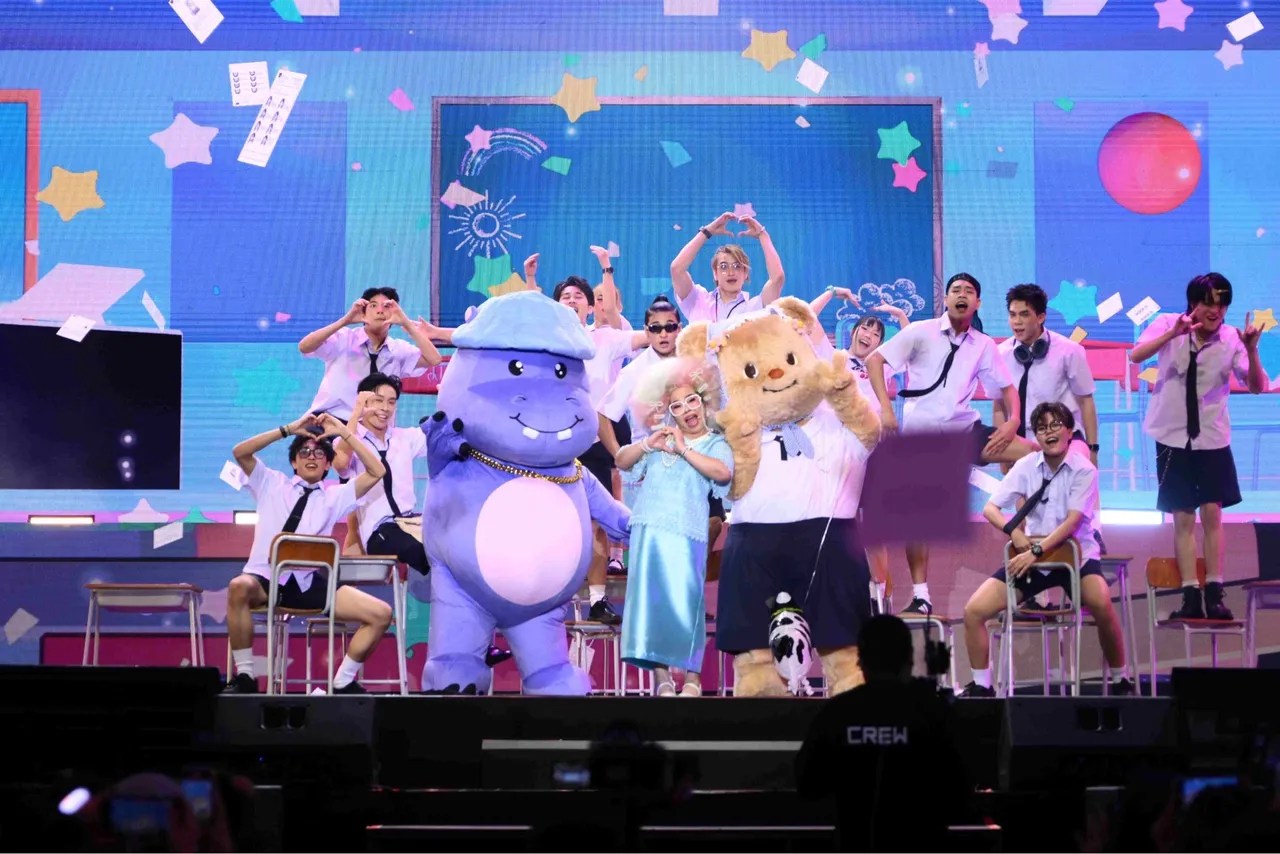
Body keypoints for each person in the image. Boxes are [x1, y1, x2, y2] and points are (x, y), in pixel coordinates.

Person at [865, 272, 1036, 614]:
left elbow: (1007, 389)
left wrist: (1014, 421)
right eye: (955, 290)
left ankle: (1029, 545)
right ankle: (921, 596)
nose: (961, 295)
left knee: (1033, 454)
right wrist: (886, 409)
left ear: (977, 303)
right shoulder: (921, 331)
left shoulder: (983, 345)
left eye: (969, 291)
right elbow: (875, 361)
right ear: (945, 299)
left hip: (964, 431)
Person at [958, 402, 1133, 698]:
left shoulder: (1085, 470)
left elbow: (1072, 522)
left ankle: (1121, 680)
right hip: (1032, 562)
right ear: (1036, 436)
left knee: (1101, 603)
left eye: (1055, 425)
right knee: (974, 611)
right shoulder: (1026, 466)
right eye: (1041, 428)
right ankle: (982, 687)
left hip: (1075, 557)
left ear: (1069, 431)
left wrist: (1036, 550)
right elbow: (990, 509)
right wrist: (1015, 531)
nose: (1048, 432)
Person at [1129, 273, 1267, 620]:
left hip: (1212, 437)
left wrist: (1252, 350)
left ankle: (1215, 593)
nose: (1215, 310)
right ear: (1193, 303)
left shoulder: (1232, 338)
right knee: (1182, 516)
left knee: (1212, 513)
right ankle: (1190, 594)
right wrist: (1173, 334)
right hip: (1171, 434)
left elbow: (1257, 386)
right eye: (1208, 302)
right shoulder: (1167, 323)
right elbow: (1136, 356)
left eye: (1221, 304)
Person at [224, 412, 391, 694]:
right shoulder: (270, 482)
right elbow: (240, 452)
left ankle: (343, 681)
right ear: (294, 462)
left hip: (310, 583)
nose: (311, 457)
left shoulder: (335, 497)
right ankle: (245, 677)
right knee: (238, 586)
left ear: (328, 464)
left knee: (380, 613)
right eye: (304, 452)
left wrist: (343, 432)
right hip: (266, 581)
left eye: (319, 453)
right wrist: (289, 429)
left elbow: (377, 471)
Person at [795, 615, 968, 851]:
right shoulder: (933, 713)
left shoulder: (837, 713)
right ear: (909, 659)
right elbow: (960, 791)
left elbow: (807, 784)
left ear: (861, 662)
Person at [615, 359, 733, 697]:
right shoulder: (660, 439)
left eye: (691, 400)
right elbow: (621, 460)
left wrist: (683, 449)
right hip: (649, 531)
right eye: (677, 406)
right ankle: (662, 677)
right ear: (671, 412)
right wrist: (647, 445)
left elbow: (723, 473)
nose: (686, 410)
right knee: (652, 606)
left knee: (689, 604)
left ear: (704, 402)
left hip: (688, 533)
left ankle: (693, 678)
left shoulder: (714, 443)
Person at [545, 251, 648, 622]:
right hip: (551, 446)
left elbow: (648, 337)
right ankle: (546, 599)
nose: (571, 301)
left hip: (592, 443)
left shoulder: (604, 339)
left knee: (595, 523)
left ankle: (599, 600)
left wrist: (676, 333)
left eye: (578, 297)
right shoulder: (544, 344)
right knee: (555, 523)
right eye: (565, 297)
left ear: (591, 307)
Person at [808, 288, 906, 612]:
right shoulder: (832, 357)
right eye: (866, 328)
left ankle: (882, 598)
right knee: (835, 524)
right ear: (853, 332)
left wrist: (899, 315)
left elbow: (911, 342)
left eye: (877, 334)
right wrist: (831, 293)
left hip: (872, 452)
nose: (869, 335)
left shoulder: (881, 367)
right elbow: (807, 318)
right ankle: (836, 597)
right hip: (835, 453)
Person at [298, 286, 444, 422]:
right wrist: (345, 321)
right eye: (373, 306)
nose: (380, 311)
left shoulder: (398, 349)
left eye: (386, 306)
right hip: (331, 420)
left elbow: (434, 359)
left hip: (373, 428)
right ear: (363, 313)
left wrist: (407, 324)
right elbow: (304, 347)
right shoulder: (344, 338)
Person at [332, 373, 429, 575]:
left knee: (447, 550)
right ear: (363, 401)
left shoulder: (404, 437)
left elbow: (438, 435)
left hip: (411, 523)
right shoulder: (350, 441)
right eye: (378, 400)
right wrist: (356, 412)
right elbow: (340, 463)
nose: (385, 408)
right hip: (380, 530)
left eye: (391, 402)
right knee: (422, 553)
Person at [994, 283, 1099, 467]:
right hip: (1020, 441)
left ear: (1041, 317)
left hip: (1063, 437)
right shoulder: (1000, 354)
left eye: (1024, 314)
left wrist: (1093, 449)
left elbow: (1086, 401)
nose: (1017, 321)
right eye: (1012, 315)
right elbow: (999, 405)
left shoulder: (1069, 351)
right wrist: (1002, 452)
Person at [669, 211, 785, 323]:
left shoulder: (755, 308)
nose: (731, 272)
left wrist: (762, 235)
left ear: (745, 273)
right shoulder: (698, 300)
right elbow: (676, 269)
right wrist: (707, 232)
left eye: (737, 266)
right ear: (715, 273)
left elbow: (777, 278)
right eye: (724, 266)